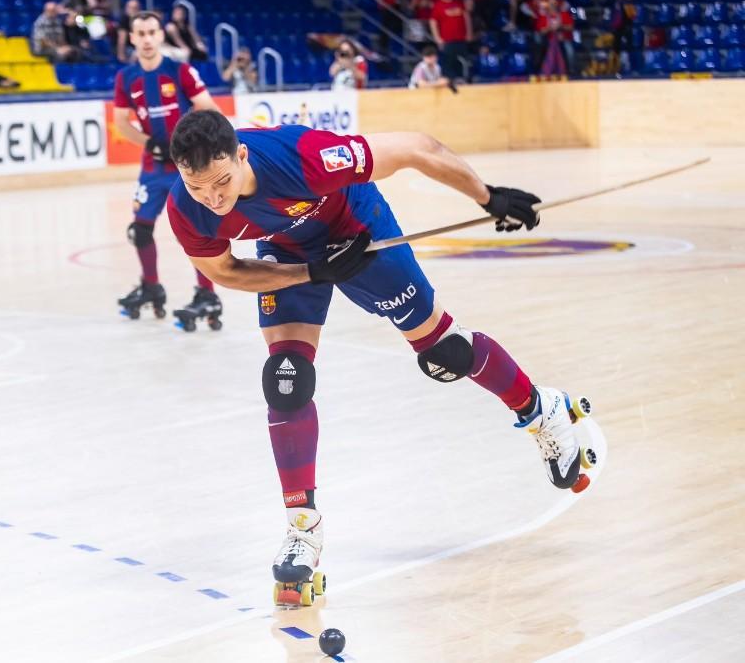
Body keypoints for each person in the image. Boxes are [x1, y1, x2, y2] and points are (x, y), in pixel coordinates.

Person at [164, 109, 594, 606]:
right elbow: (227, 272)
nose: (214, 199)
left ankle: (541, 410)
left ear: (241, 155)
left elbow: (417, 147)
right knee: (286, 380)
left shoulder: (305, 159)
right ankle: (302, 526)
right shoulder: (188, 207)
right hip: (289, 251)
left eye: (222, 182)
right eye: (199, 188)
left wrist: (488, 197)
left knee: (446, 353)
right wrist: (312, 273)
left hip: (357, 226)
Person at [111, 10, 223, 328]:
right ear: (132, 39)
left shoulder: (180, 71)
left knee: (197, 229)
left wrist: (191, 143)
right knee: (140, 230)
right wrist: (148, 142)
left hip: (186, 167)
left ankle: (207, 294)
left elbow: (210, 110)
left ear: (161, 35)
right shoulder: (126, 78)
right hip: (153, 168)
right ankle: (151, 287)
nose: (147, 39)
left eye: (152, 32)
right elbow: (121, 122)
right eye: (141, 34)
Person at [429, 0, 471, 81]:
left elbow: (466, 17)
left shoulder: (459, 3)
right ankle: (451, 81)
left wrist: (469, 33)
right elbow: (433, 22)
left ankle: (465, 80)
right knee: (448, 63)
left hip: (461, 38)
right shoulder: (438, 5)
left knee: (465, 62)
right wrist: (437, 38)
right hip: (447, 40)